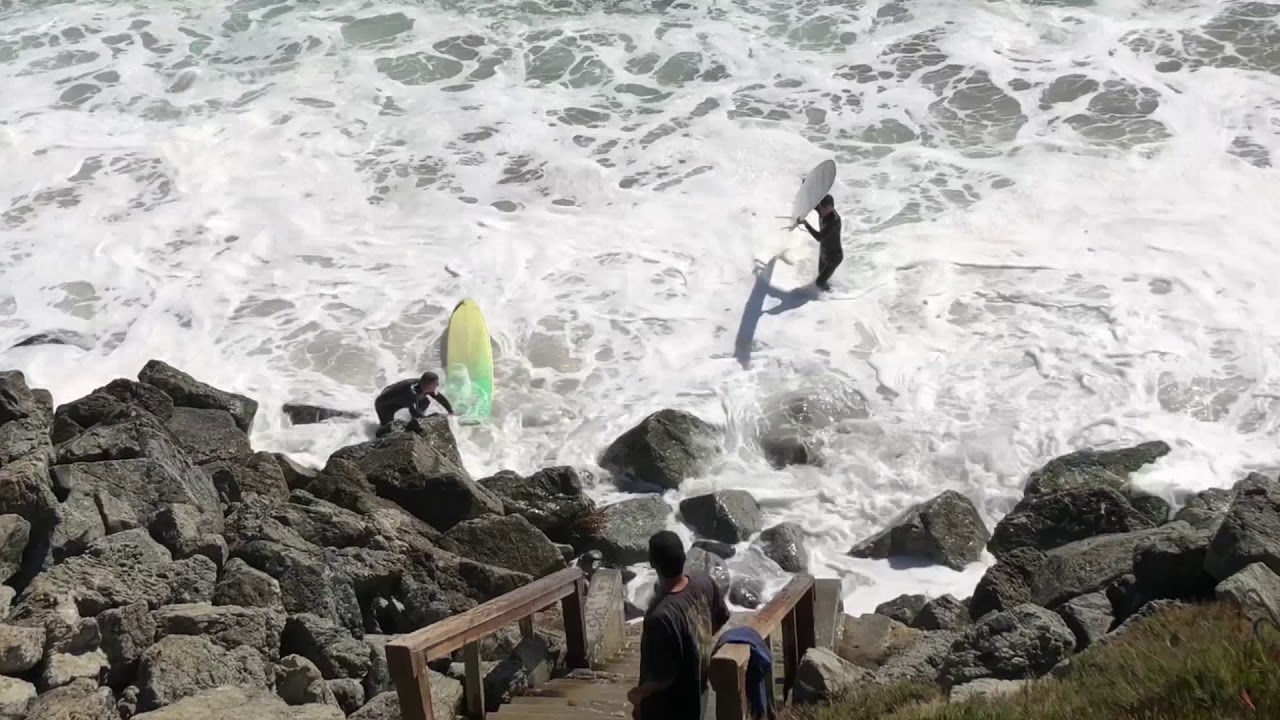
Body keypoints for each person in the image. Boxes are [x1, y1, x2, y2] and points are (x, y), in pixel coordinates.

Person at [628, 531, 730, 720]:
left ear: (653, 564)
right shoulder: (703, 582)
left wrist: (638, 695)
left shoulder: (660, 617)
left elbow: (662, 678)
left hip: (670, 708)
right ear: (683, 557)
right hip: (698, 692)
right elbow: (721, 617)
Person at [373, 371, 453, 426]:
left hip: (394, 396)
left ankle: (412, 424)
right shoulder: (411, 392)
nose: (438, 385)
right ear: (428, 384)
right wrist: (429, 419)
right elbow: (415, 412)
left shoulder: (423, 385)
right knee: (388, 428)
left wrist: (450, 411)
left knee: (424, 401)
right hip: (384, 405)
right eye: (435, 383)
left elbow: (439, 397)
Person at [800, 194, 842, 292]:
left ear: (832, 207)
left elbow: (819, 237)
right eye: (822, 208)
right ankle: (827, 289)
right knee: (821, 276)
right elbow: (811, 203)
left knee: (819, 282)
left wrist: (806, 224)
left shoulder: (834, 221)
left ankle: (832, 295)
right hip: (824, 253)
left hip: (834, 257)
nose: (823, 211)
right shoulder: (821, 209)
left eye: (827, 208)